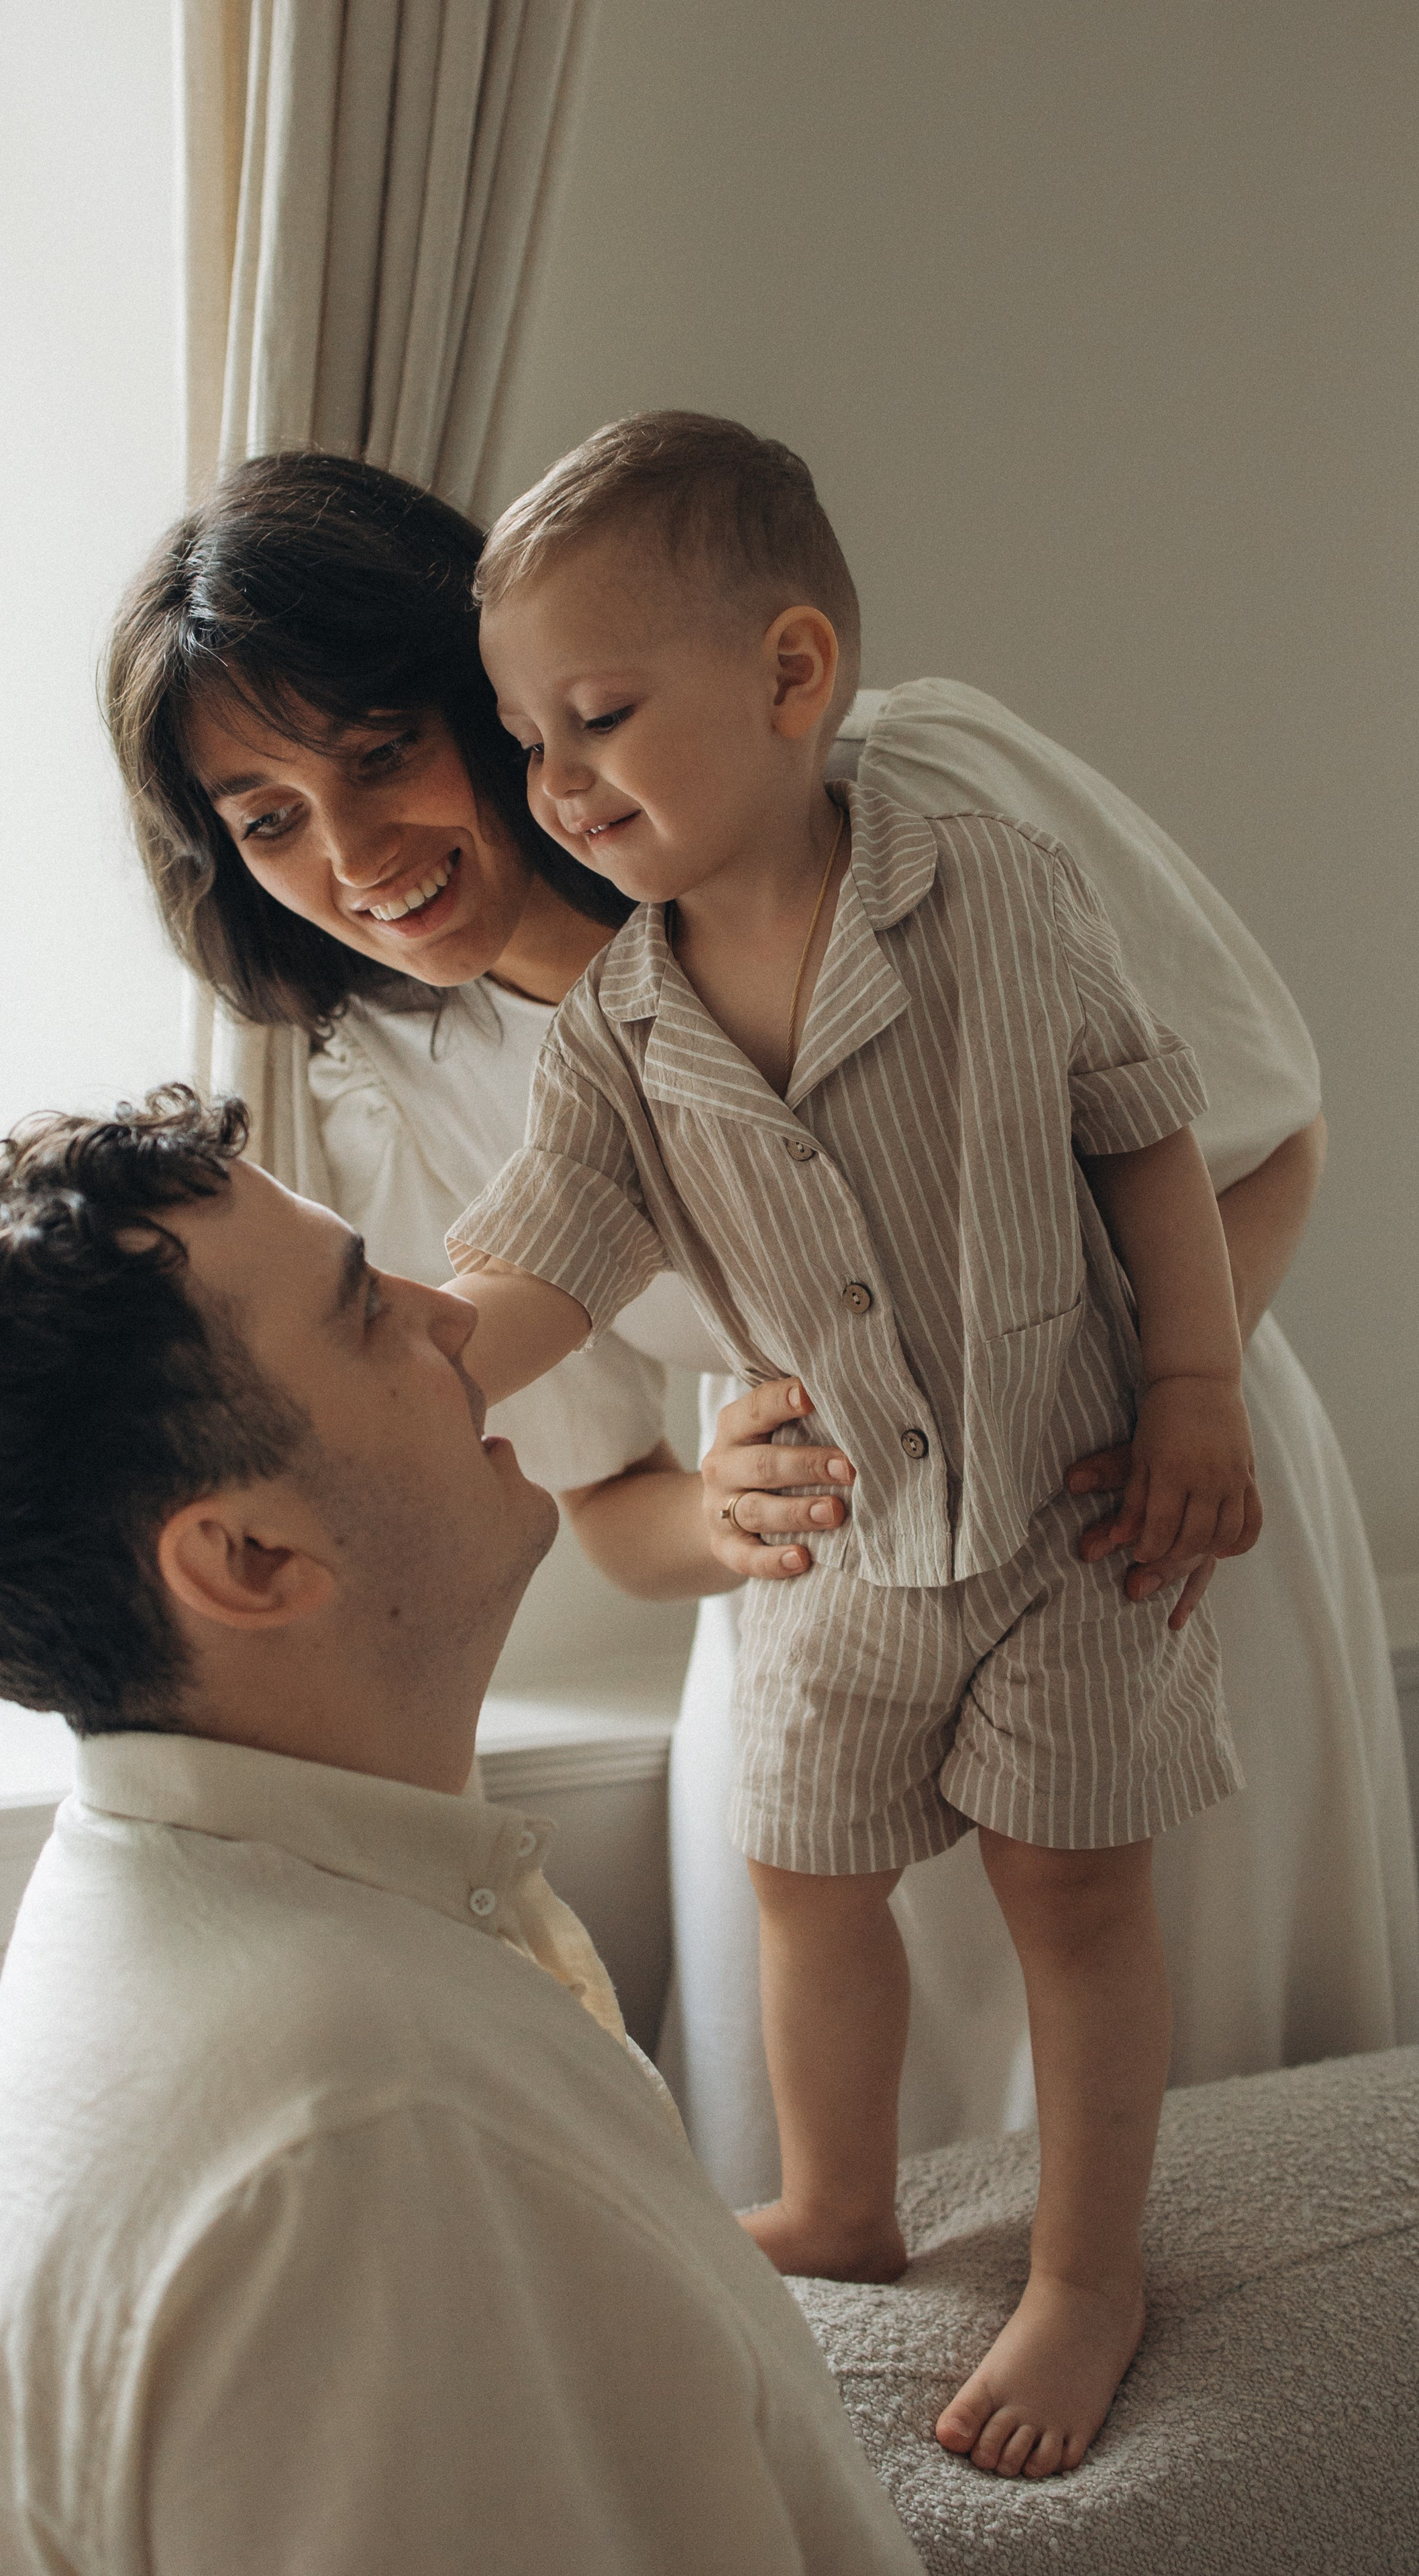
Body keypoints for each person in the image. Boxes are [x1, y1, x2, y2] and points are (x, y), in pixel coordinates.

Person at [104, 451, 1415, 2187]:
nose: (353, 854)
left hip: (1149, 1515)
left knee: (1216, 2144)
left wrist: (1122, 1414)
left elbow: (1263, 1125)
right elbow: (609, 1507)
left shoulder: (922, 802)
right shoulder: (402, 1089)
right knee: (869, 2139)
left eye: (377, 751)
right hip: (832, 1610)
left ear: (489, 699)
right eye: (268, 818)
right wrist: (717, 1515)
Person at [444, 410, 1265, 2477]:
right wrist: (404, 1358)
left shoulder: (979, 883)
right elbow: (542, 1258)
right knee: (802, 1876)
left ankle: (1089, 2270)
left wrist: (1195, 1390)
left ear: (790, 675)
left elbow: (1149, 1128)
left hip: (1076, 1514)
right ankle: (842, 2196)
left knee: (1074, 1887)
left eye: (600, 716)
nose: (556, 781)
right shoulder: (621, 1028)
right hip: (838, 1554)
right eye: (528, 738)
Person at [0, 1090, 923, 2576]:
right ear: (250, 1558)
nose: (450, 1319)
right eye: (362, 1312)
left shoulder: (166, 1900)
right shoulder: (373, 2150)